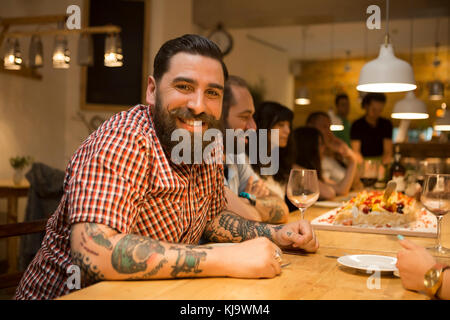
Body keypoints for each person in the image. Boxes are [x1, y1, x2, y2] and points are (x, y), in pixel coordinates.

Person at [16, 35, 318, 300]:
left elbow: (212, 221)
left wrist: (276, 234)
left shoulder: (206, 146)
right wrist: (224, 258)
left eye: (212, 92)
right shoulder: (124, 139)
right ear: (152, 90)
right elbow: (94, 252)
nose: (199, 105)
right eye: (184, 86)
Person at [221, 76, 289, 224]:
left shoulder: (236, 157)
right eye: (245, 117)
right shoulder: (200, 160)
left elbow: (282, 208)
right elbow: (251, 218)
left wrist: (247, 200)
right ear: (218, 115)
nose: (253, 128)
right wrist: (253, 204)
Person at [293, 126, 357, 200]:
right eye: (320, 144)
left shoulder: (311, 170)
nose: (324, 147)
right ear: (308, 147)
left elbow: (341, 190)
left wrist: (352, 160)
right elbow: (329, 193)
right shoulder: (296, 170)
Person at [306, 111, 362, 190]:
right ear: (310, 127)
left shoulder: (334, 155)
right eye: (324, 127)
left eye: (329, 127)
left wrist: (346, 153)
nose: (329, 132)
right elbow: (340, 189)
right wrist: (352, 158)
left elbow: (357, 184)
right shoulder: (310, 161)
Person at [350, 93, 393, 165]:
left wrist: (381, 166)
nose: (377, 113)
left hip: (381, 164)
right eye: (374, 110)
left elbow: (388, 151)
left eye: (380, 110)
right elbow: (356, 151)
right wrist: (366, 167)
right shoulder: (357, 125)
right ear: (366, 106)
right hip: (361, 163)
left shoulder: (386, 124)